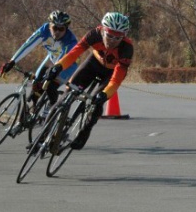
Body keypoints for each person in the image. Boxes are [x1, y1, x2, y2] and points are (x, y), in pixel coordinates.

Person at [45, 12, 134, 150]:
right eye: (109, 35)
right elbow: (75, 52)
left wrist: (105, 94)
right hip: (93, 64)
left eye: (118, 38)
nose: (112, 40)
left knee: (97, 102)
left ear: (124, 36)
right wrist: (58, 66)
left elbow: (117, 78)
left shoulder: (127, 48)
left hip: (110, 73)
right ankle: (45, 134)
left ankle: (85, 131)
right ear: (103, 29)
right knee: (67, 94)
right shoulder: (94, 34)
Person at [0, 10, 78, 108]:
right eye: (55, 28)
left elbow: (63, 59)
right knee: (36, 84)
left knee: (50, 85)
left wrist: (52, 73)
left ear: (66, 29)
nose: (57, 32)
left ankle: (51, 109)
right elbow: (28, 45)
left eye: (61, 29)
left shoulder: (70, 40)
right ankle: (33, 112)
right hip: (52, 58)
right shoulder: (44, 30)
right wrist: (12, 61)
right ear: (50, 26)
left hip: (66, 66)